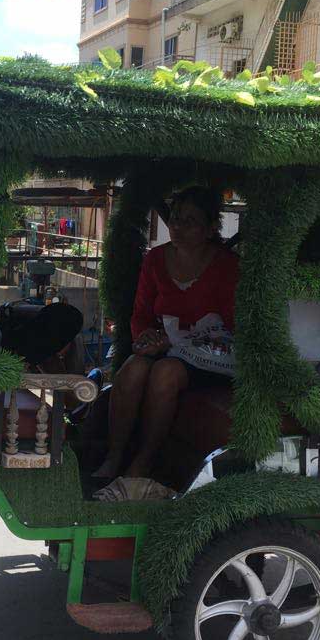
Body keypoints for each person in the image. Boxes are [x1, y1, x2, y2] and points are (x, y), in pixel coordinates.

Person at [93, 185, 239, 493]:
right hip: (167, 347)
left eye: (190, 221)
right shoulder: (156, 260)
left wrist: (191, 341)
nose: (178, 227)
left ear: (211, 227)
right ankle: (115, 455)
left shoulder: (227, 266)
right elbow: (141, 314)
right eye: (175, 219)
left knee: (166, 372)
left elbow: (236, 323)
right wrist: (148, 338)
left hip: (213, 359)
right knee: (133, 368)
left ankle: (145, 460)